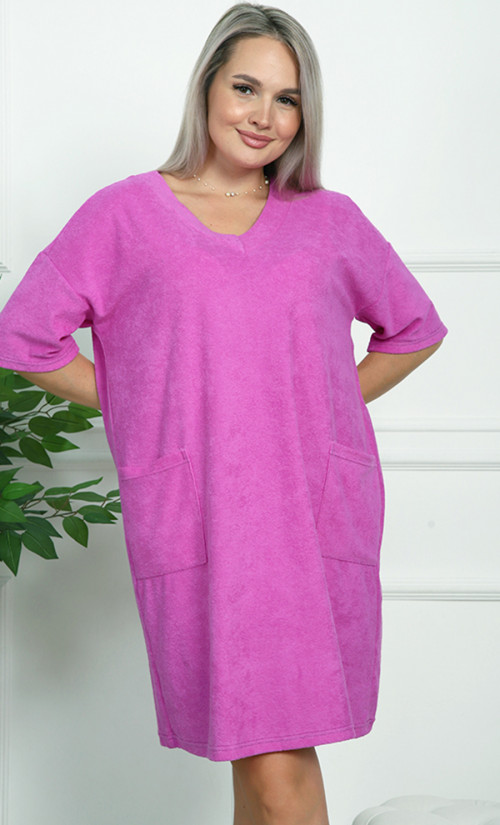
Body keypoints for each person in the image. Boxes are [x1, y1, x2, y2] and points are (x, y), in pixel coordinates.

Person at [0, 3, 448, 823]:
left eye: (287, 99)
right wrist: (138, 401)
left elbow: (415, 328)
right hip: (204, 519)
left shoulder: (330, 222)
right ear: (207, 85)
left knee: (276, 764)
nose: (264, 115)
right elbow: (24, 337)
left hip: (309, 518)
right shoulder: (124, 216)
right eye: (246, 87)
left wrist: (316, 402)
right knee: (264, 761)